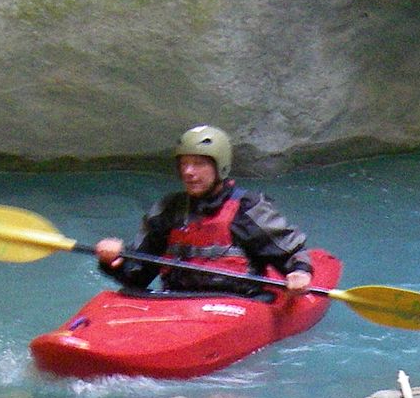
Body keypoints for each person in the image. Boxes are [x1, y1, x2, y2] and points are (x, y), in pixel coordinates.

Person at [94, 125, 314, 299]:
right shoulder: (168, 210)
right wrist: (115, 260)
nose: (189, 172)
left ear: (220, 168)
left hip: (235, 304)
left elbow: (292, 253)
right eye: (184, 164)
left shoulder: (248, 208)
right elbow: (138, 277)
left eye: (199, 164)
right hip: (177, 303)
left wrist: (300, 272)